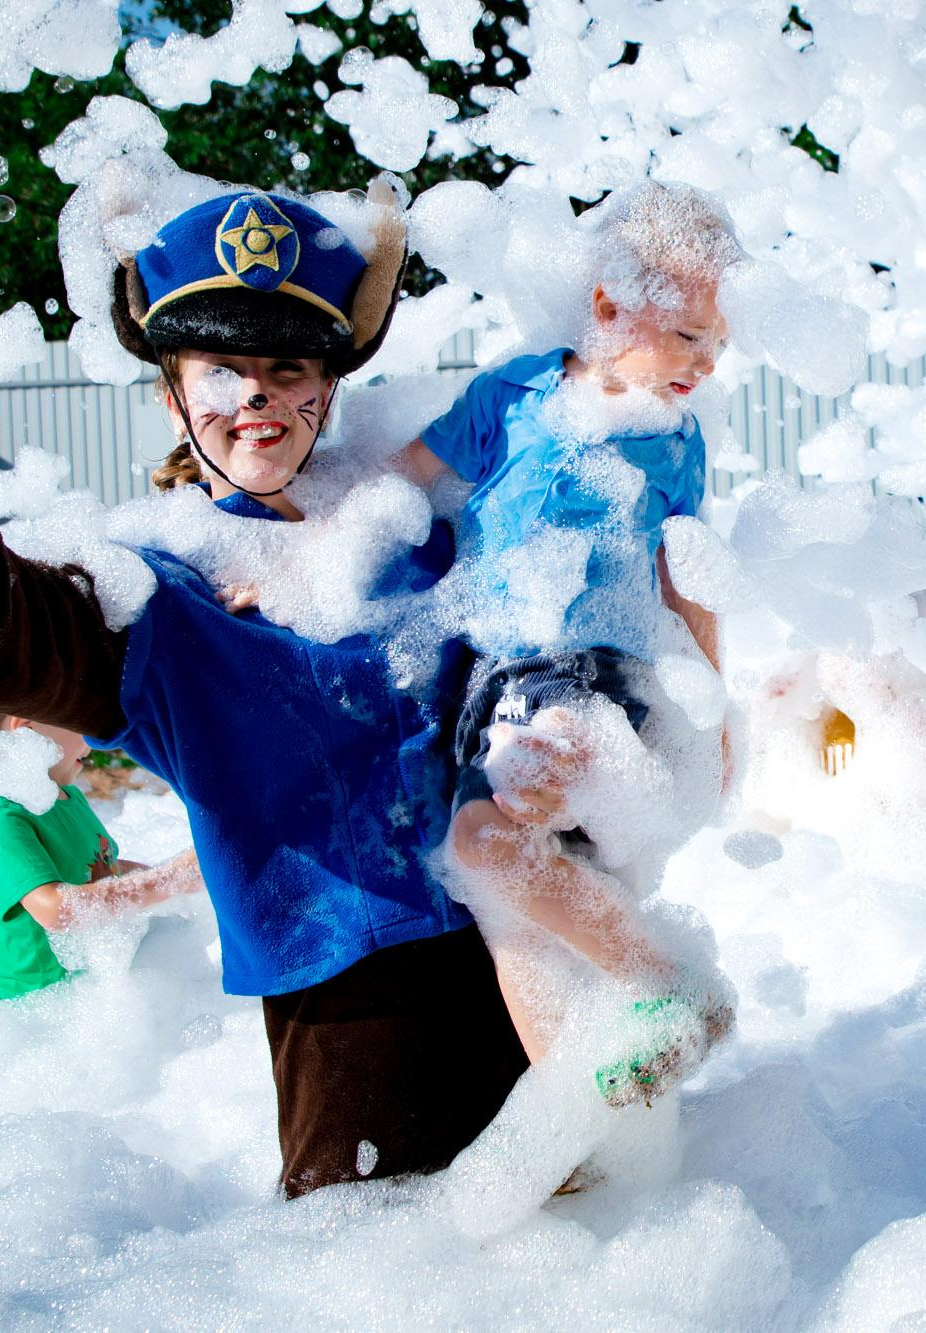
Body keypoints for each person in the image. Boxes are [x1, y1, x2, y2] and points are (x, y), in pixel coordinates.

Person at [0, 178, 541, 1198]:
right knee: (390, 1274)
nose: (254, 398)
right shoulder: (158, 585)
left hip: (518, 932)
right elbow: (11, 639)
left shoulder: (411, 527)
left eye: (285, 366)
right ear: (171, 394)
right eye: (220, 370)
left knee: (579, 1236)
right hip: (345, 993)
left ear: (323, 389)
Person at [391, 182, 740, 1107]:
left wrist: (712, 703)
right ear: (604, 306)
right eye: (689, 336)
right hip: (497, 681)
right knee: (498, 884)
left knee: (500, 833)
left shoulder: (677, 442)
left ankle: (670, 980)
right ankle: (575, 1110)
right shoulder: (512, 397)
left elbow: (687, 575)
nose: (707, 362)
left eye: (718, 340)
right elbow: (400, 482)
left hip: (599, 675)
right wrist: (305, 542)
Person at [0, 706, 201, 1000]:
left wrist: (174, 878)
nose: (95, 739)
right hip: (46, 1012)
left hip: (99, 992)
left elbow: (101, 869)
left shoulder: (67, 796)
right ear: (25, 729)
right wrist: (168, 880)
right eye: (80, 722)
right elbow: (55, 910)